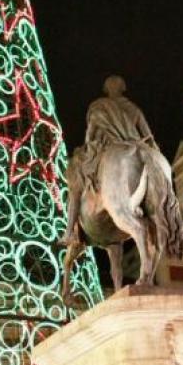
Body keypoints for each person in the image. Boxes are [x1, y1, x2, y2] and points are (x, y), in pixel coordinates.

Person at [60, 75, 157, 246]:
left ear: (106, 90)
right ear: (123, 89)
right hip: (136, 146)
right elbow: (148, 136)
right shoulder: (134, 110)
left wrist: (89, 147)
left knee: (74, 183)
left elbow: (90, 136)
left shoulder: (98, 107)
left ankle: (70, 232)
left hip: (104, 149)